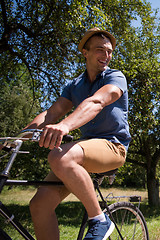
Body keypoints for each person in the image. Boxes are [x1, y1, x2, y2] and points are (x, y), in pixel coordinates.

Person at [26, 27, 131, 240]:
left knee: (59, 155)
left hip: (113, 146)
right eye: (100, 50)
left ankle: (100, 220)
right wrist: (19, 137)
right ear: (85, 52)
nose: (106, 56)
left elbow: (97, 101)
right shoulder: (74, 85)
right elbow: (52, 113)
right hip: (84, 149)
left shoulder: (115, 77)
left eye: (109, 51)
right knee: (38, 206)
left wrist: (65, 126)